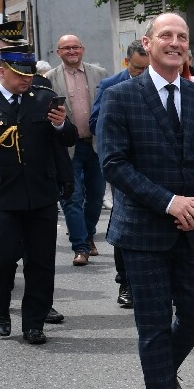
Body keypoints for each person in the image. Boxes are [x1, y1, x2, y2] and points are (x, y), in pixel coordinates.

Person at [98, 12, 194, 389]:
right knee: (153, 325)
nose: (175, 43)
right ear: (148, 43)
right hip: (143, 233)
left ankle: (160, 371)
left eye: (182, 37)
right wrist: (170, 202)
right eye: (166, 36)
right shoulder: (120, 98)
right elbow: (114, 164)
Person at [0, 46, 76, 342]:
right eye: (20, 75)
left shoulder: (44, 99)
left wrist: (60, 124)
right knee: (3, 257)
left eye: (30, 75)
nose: (26, 80)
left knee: (41, 261)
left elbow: (67, 139)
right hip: (0, 195)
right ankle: (0, 305)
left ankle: (34, 322)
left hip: (40, 193)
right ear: (3, 70)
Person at [90, 41, 150, 309]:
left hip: (156, 165)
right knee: (125, 223)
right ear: (127, 62)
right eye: (138, 68)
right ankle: (125, 282)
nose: (143, 74)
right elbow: (95, 123)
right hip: (125, 165)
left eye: (147, 68)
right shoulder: (111, 86)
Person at [45, 34, 108, 266]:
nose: (72, 51)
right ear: (58, 52)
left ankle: (89, 234)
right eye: (66, 48)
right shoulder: (49, 79)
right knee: (72, 197)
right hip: (67, 147)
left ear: (83, 49)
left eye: (76, 47)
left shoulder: (99, 73)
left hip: (95, 144)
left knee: (96, 197)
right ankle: (80, 247)